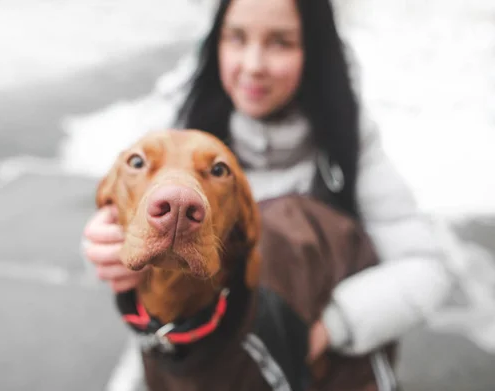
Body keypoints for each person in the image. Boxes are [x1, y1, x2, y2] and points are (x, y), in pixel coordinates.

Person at [83, 0, 453, 388]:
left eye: (280, 42)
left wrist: (325, 328)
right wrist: (104, 243)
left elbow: (428, 270)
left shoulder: (348, 138)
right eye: (237, 37)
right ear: (216, 43)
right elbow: (153, 285)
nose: (254, 64)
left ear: (313, 48)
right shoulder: (178, 120)